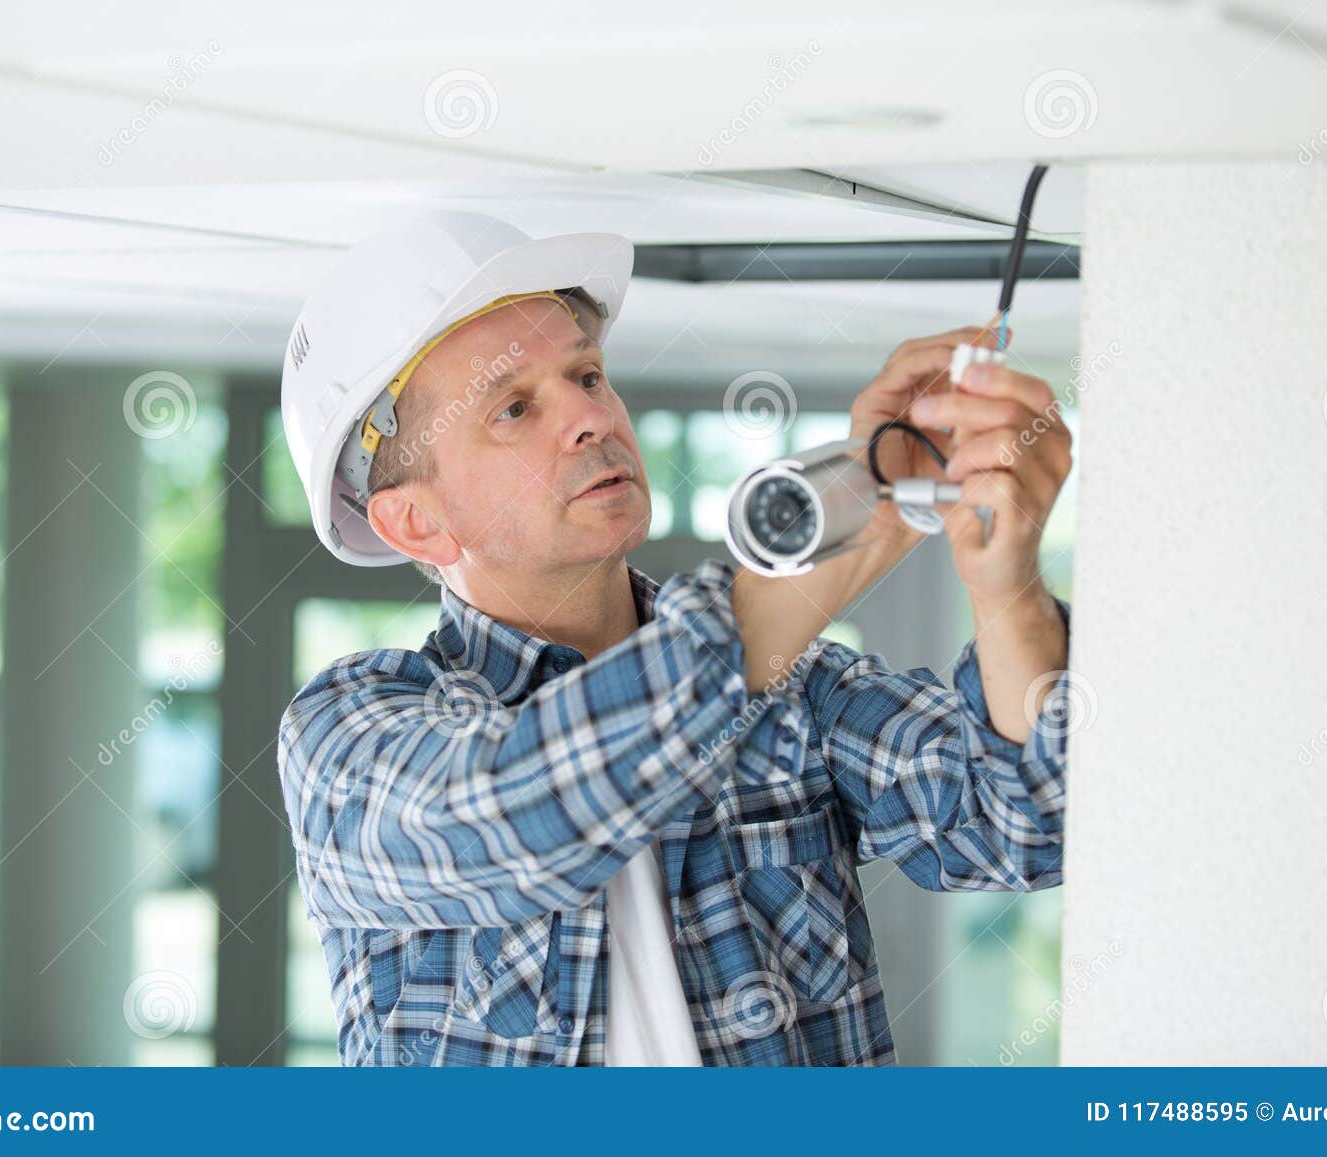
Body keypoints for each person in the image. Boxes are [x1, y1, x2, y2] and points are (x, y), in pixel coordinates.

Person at [276, 212, 1073, 1066]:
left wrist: (1006, 587)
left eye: (587, 373)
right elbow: (521, 813)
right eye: (514, 407)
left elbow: (1030, 819)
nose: (591, 415)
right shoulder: (345, 742)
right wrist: (865, 518)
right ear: (416, 522)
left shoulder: (798, 695)